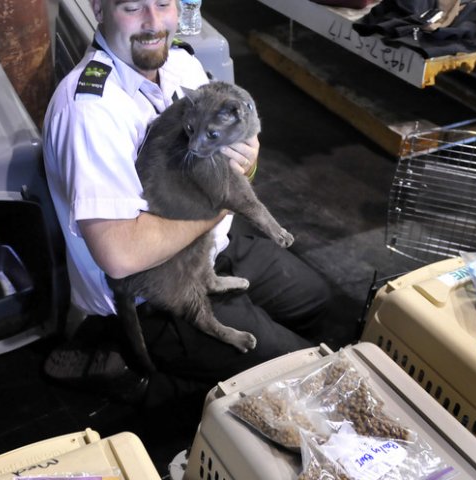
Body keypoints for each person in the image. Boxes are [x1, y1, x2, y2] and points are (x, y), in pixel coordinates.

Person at [41, 0, 332, 407]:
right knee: (295, 374)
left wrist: (247, 162)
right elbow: (121, 255)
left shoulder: (181, 66)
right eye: (132, 7)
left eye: (163, 3)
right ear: (98, 8)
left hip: (211, 249)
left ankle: (210, 369)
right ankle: (138, 376)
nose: (153, 22)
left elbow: (232, 157)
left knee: (315, 299)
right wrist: (225, 201)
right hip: (156, 290)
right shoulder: (90, 111)